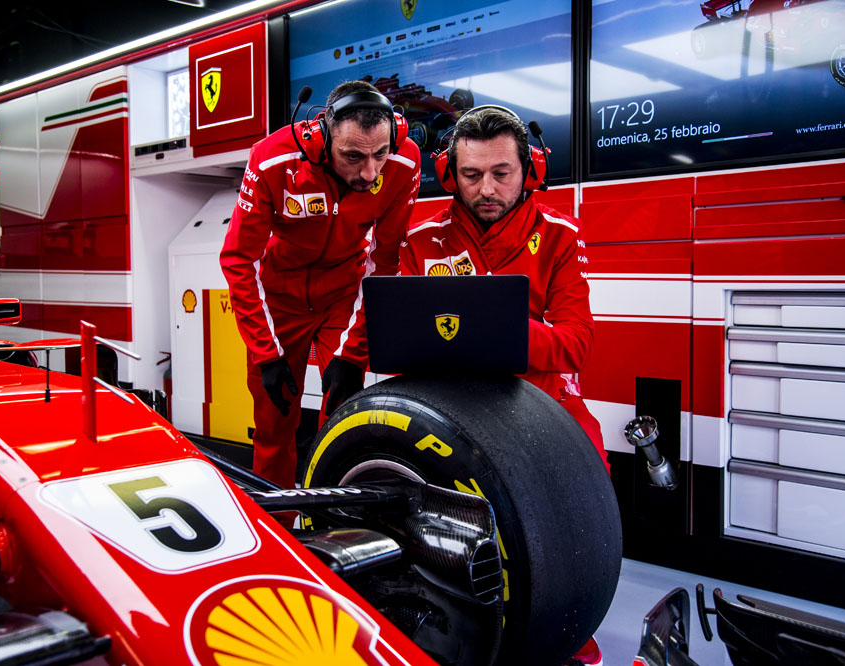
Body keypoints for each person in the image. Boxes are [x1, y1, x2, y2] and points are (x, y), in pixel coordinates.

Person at [221, 81, 421, 489]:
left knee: (343, 419)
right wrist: (266, 353)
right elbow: (239, 258)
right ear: (323, 135)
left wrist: (353, 353)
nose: (370, 172)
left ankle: (334, 516)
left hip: (343, 297)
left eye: (380, 154)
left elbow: (384, 262)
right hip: (280, 301)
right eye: (353, 156)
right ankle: (276, 520)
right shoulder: (272, 159)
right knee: (274, 424)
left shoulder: (405, 160)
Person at [399, 105, 608, 472]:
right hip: (445, 401)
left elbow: (576, 345)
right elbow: (399, 346)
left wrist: (497, 330)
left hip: (540, 398)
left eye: (501, 173)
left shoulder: (560, 235)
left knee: (589, 469)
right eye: (471, 175)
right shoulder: (419, 241)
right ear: (450, 176)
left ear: (529, 171)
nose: (486, 189)